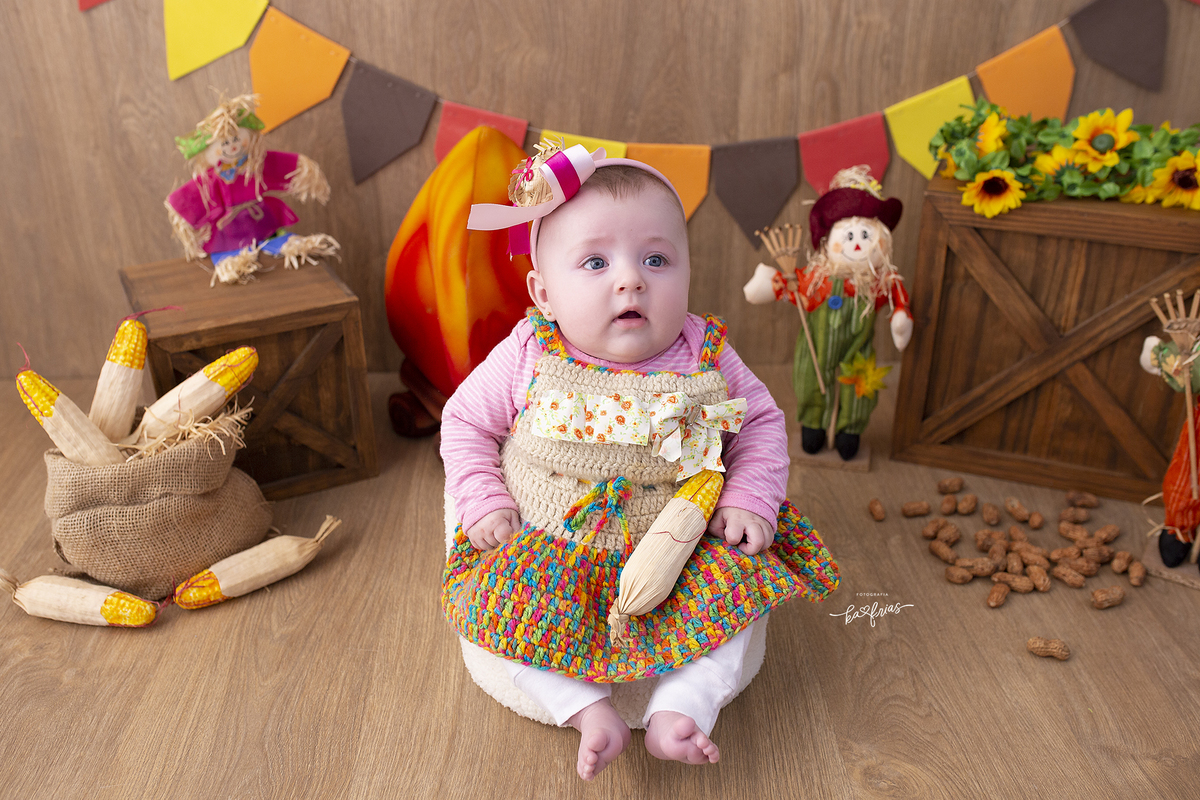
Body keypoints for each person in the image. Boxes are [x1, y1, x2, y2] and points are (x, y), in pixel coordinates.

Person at [440, 142, 839, 780]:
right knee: (498, 609)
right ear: (543, 292)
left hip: (677, 538)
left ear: (686, 272)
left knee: (738, 596)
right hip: (555, 538)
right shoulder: (529, 353)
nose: (631, 279)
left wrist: (747, 499)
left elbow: (761, 423)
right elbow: (464, 422)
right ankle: (583, 707)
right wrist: (484, 498)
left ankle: (683, 705)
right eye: (595, 262)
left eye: (656, 258)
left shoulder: (705, 352)